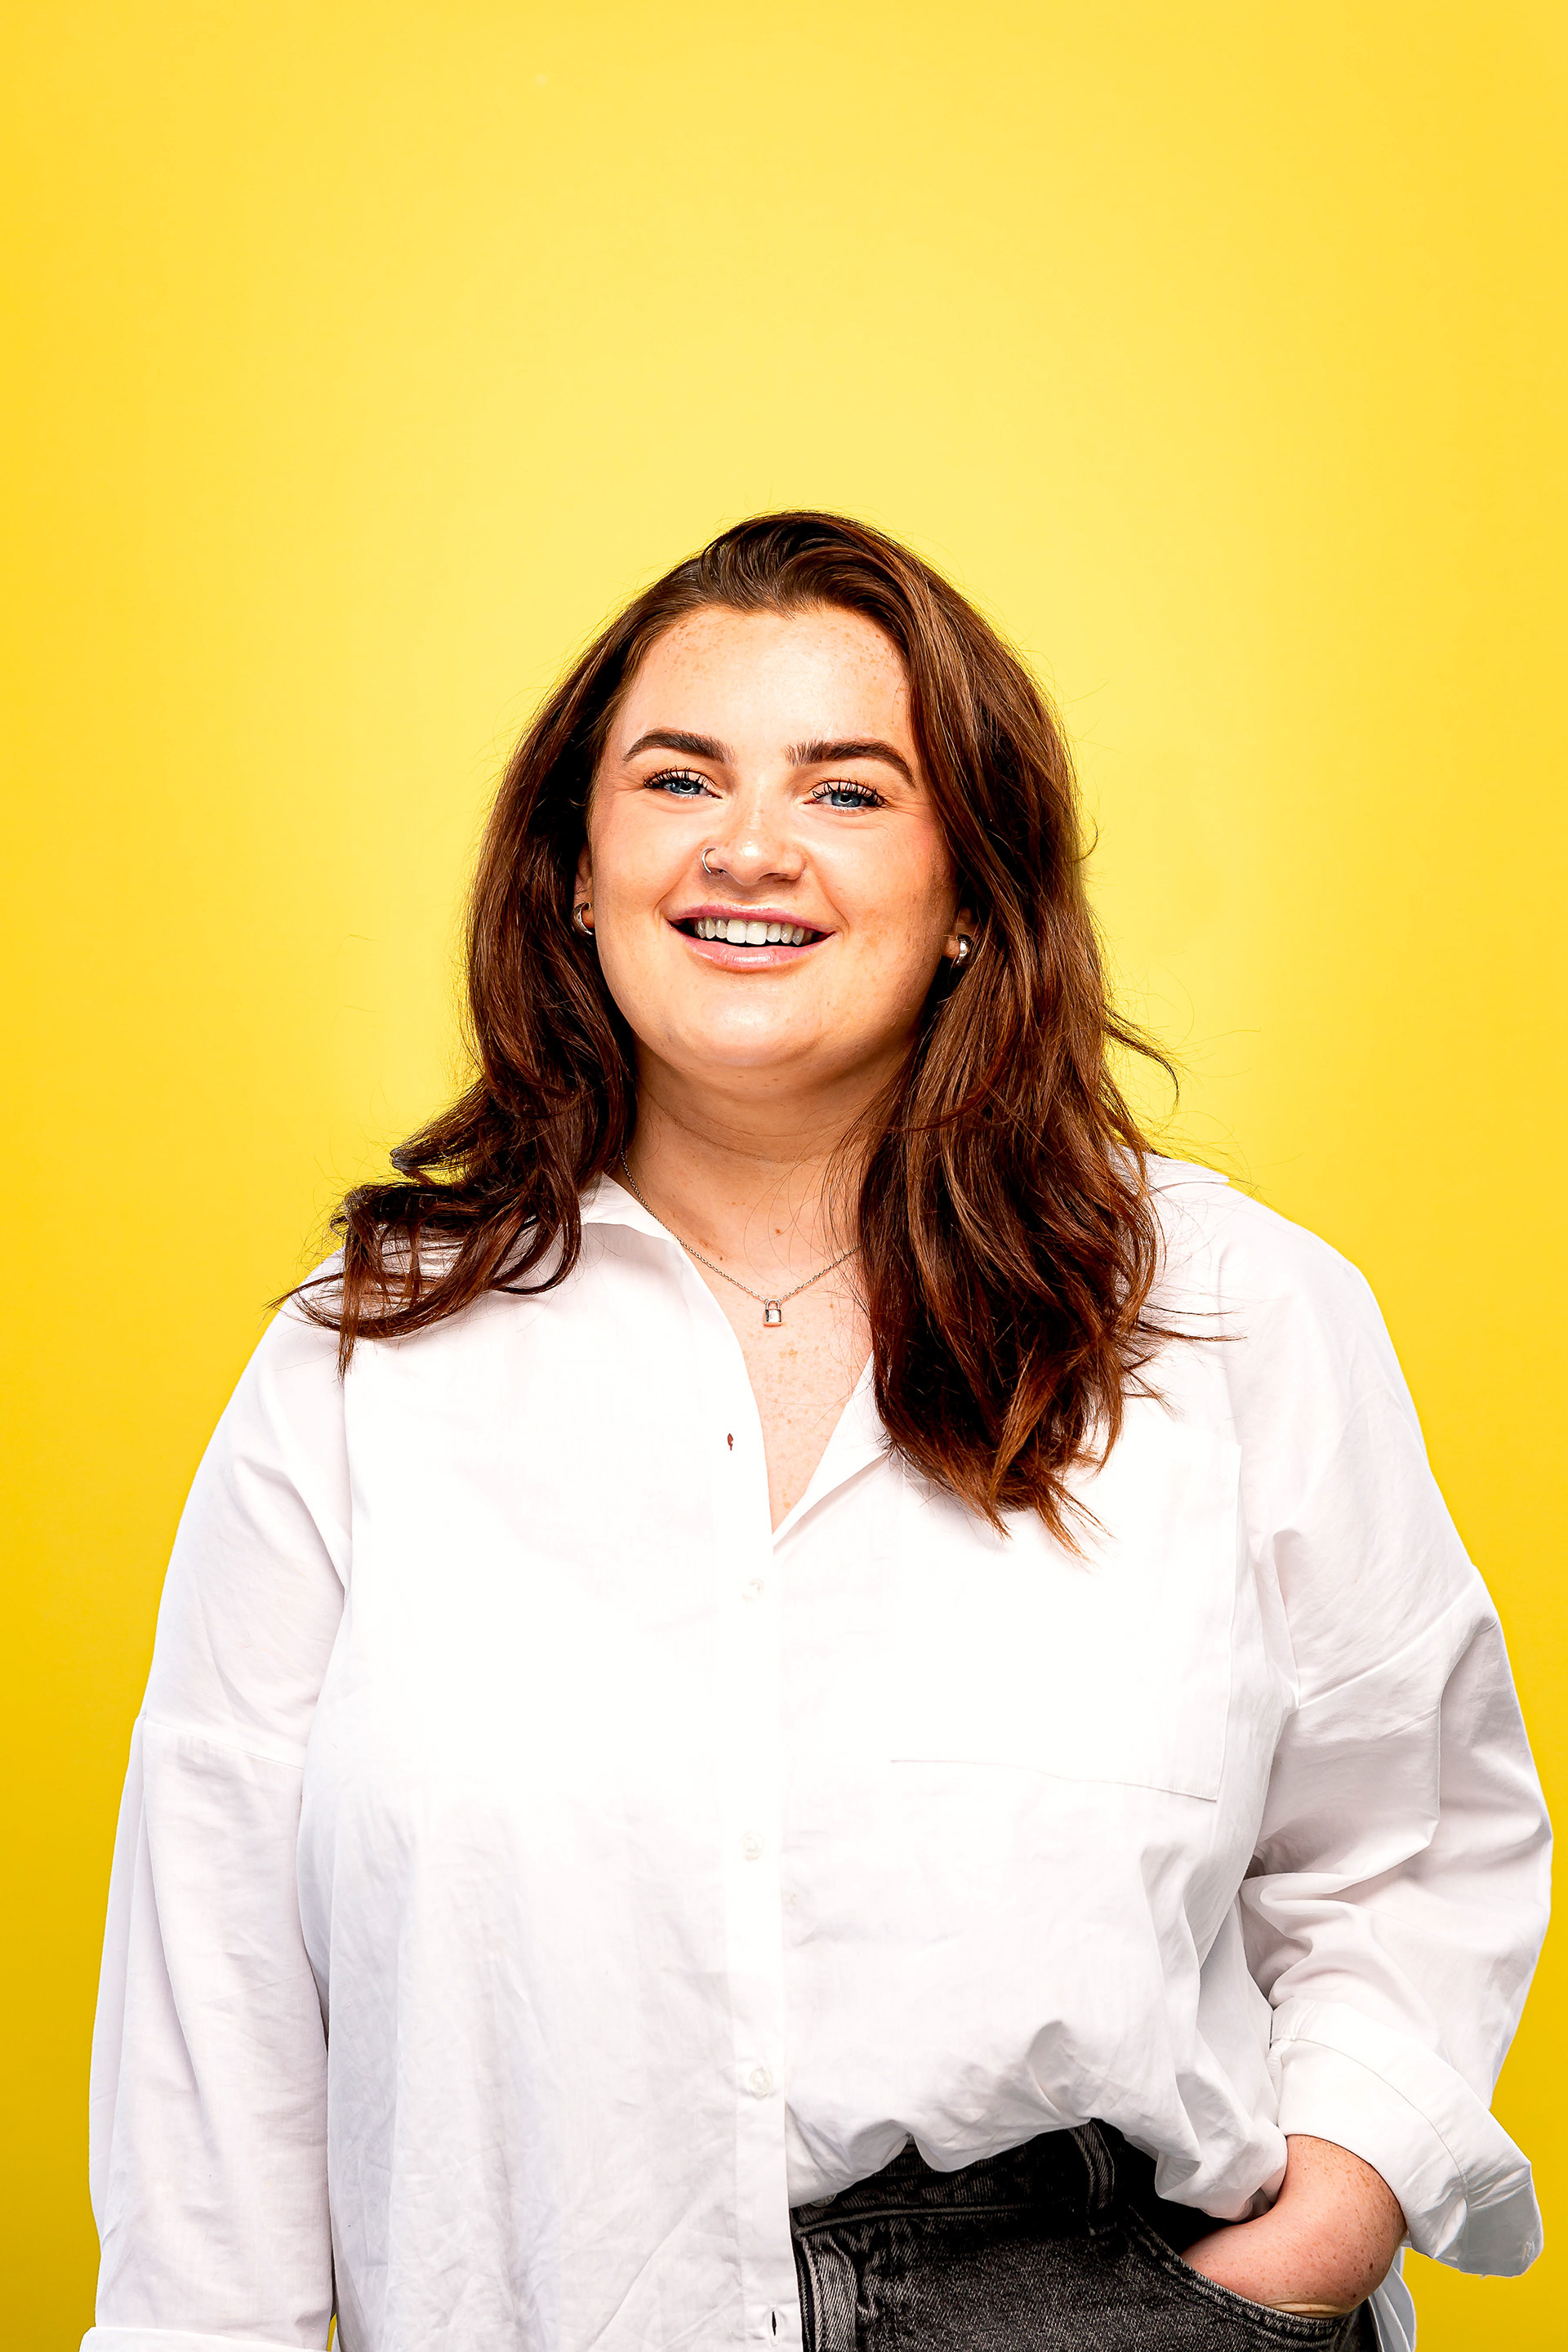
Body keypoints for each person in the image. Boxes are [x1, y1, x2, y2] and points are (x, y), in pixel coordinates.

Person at [82, 514, 1548, 2352]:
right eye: (678, 775)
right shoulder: (364, 1364)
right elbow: (212, 1994)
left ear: (971, 900)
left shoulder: (1238, 1315)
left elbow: (1411, 1843)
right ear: (576, 875)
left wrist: (1316, 2233)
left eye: (849, 791)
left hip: (1103, 2302)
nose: (748, 845)